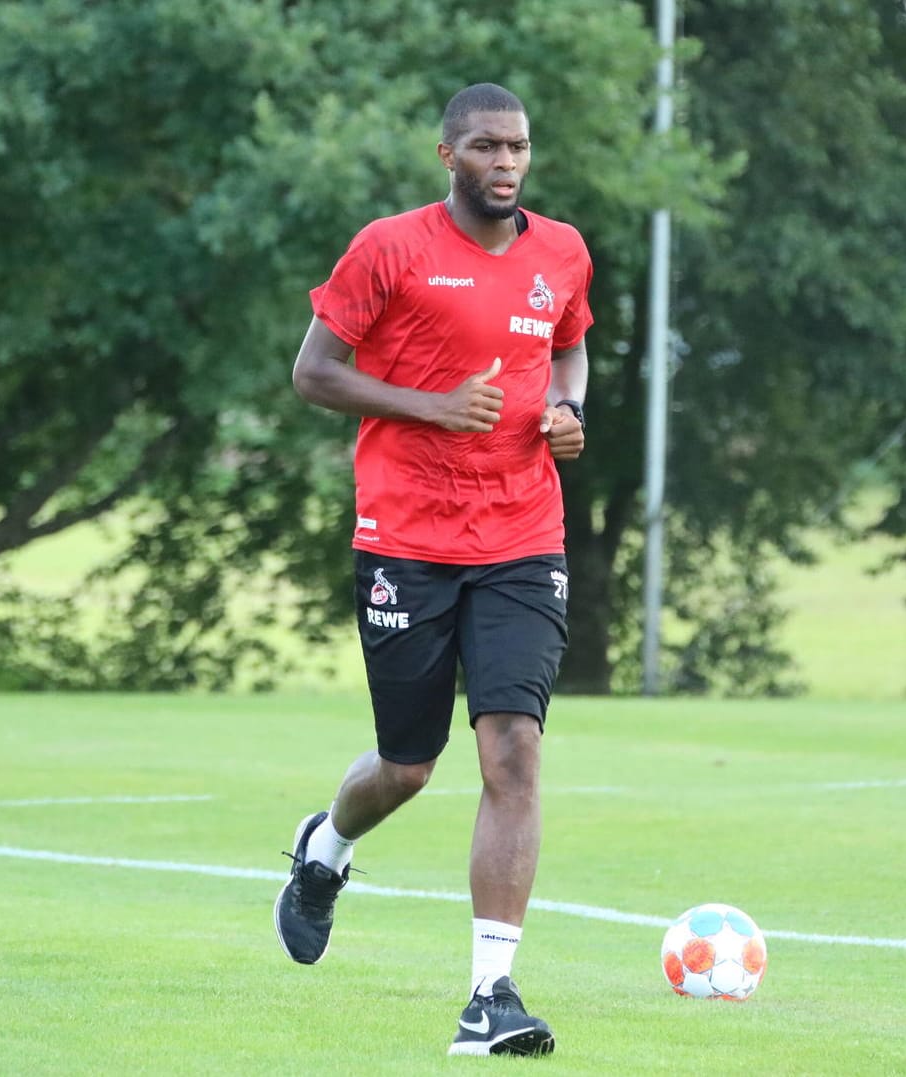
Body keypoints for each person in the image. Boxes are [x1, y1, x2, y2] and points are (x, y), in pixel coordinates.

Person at [275, 82, 591, 1058]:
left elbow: (570, 350)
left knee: (513, 751)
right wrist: (427, 406)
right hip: (407, 537)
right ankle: (325, 852)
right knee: (408, 766)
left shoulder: (562, 252)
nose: (507, 163)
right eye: (489, 147)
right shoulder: (390, 249)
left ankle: (489, 996)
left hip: (523, 535)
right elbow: (313, 372)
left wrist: (569, 411)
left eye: (521, 147)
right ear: (447, 156)